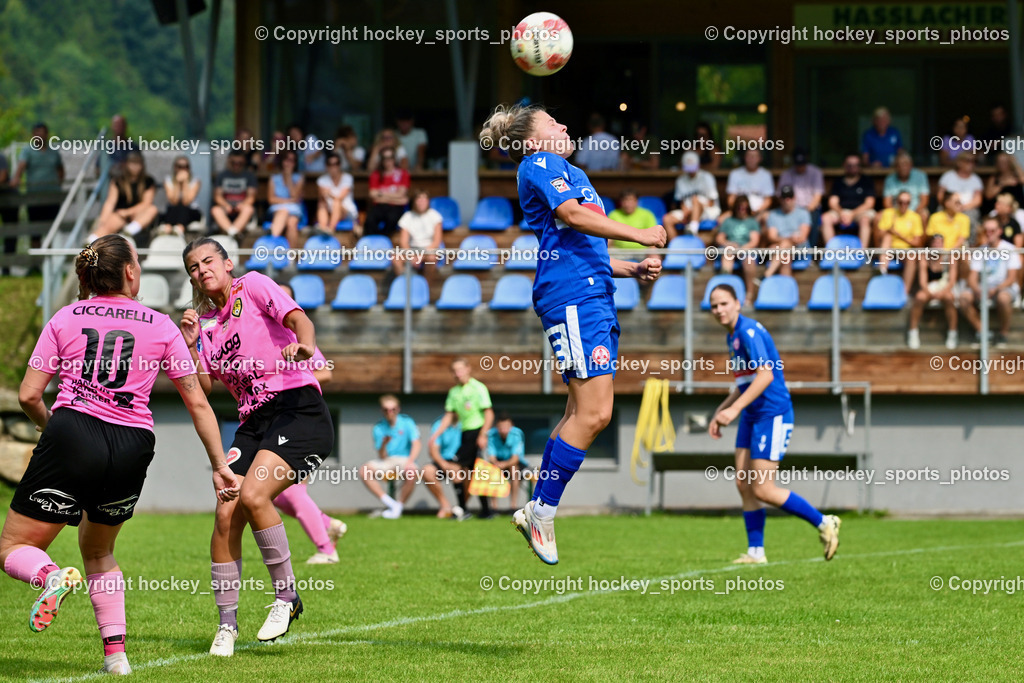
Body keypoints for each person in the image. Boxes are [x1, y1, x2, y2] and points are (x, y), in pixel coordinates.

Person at [0, 235, 238, 675]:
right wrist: (221, 466)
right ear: (130, 272)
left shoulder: (66, 317)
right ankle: (116, 657)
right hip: (133, 446)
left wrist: (55, 432)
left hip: (74, 433)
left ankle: (50, 577)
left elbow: (29, 395)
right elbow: (199, 403)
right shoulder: (162, 325)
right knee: (98, 551)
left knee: (12, 545)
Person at [478, 103, 665, 564]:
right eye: (551, 122)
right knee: (597, 413)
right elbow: (574, 216)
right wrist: (639, 236)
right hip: (574, 299)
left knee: (580, 413)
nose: (564, 124)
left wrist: (631, 268)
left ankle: (537, 509)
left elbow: (580, 244)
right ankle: (542, 510)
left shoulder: (566, 167)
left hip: (591, 294)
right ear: (531, 140)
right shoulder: (539, 163)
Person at [180, 237, 335, 655]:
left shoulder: (254, 286)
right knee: (226, 510)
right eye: (193, 267)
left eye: (208, 260)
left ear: (228, 263)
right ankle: (226, 626)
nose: (201, 270)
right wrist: (193, 343)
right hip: (253, 423)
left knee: (252, 494)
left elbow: (299, 318)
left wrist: (304, 343)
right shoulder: (209, 327)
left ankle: (286, 597)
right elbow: (206, 387)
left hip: (297, 409)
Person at [707, 283, 841, 565]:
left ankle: (824, 521)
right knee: (744, 483)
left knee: (763, 488)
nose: (718, 310)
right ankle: (756, 552)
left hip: (772, 413)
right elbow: (744, 382)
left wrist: (734, 411)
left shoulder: (748, 331)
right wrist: (721, 411)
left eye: (723, 303)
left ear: (738, 303)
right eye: (714, 305)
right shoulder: (732, 336)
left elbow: (765, 376)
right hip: (752, 413)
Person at [270, 283, 347, 563]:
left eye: (283, 294)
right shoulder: (264, 334)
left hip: (299, 420)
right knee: (275, 494)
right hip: (272, 422)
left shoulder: (295, 334)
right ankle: (327, 523)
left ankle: (327, 549)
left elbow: (324, 373)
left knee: (290, 490)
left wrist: (296, 378)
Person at [429, 359, 496, 520]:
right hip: (465, 433)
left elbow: (489, 413)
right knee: (474, 472)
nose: (458, 373)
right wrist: (436, 434)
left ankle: (463, 509)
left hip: (476, 432)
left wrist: (483, 434)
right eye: (455, 371)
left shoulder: (478, 388)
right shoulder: (454, 392)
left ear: (468, 369)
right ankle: (485, 511)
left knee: (455, 465)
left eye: (460, 369)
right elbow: (448, 415)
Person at [959, 216, 1021, 348]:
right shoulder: (981, 250)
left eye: (992, 230)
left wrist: (995, 289)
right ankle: (983, 332)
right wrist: (977, 290)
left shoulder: (1009, 248)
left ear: (999, 231)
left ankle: (1003, 334)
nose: (989, 233)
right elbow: (972, 277)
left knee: (1003, 298)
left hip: (1002, 287)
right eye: (986, 230)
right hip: (984, 287)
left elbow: (1011, 278)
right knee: (964, 298)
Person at [360, 394, 420, 519]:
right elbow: (382, 455)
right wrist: (384, 444)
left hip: (404, 460)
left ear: (398, 409)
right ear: (382, 411)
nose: (389, 412)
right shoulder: (378, 428)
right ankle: (391, 504)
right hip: (387, 461)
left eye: (392, 409)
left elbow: (417, 444)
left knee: (412, 471)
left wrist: (410, 461)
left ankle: (398, 506)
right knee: (364, 470)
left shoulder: (407, 422)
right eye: (386, 410)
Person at [91, 152, 158, 243]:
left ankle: (128, 232)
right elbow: (110, 203)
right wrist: (103, 220)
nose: (135, 167)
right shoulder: (118, 181)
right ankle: (90, 244)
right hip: (120, 216)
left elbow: (146, 203)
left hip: (138, 216)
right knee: (107, 224)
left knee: (152, 210)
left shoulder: (148, 181)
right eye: (132, 163)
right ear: (126, 164)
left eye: (138, 163)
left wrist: (127, 212)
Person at [907, 233, 959, 350]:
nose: (937, 245)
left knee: (949, 298)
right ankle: (913, 332)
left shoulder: (950, 257)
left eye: (940, 242)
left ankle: (953, 333)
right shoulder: (925, 258)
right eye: (935, 242)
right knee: (920, 297)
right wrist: (929, 293)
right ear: (930, 245)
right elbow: (922, 281)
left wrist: (942, 292)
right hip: (930, 287)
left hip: (945, 287)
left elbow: (951, 281)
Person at [10, 123, 65, 225]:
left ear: (46, 134)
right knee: (35, 231)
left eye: (41, 133)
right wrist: (17, 177)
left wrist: (58, 183)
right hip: (34, 196)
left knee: (52, 227)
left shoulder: (53, 151)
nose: (39, 136)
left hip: (52, 196)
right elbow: (22, 165)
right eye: (36, 133)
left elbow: (60, 169)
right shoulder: (27, 151)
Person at [820, 154, 875, 248]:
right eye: (849, 165)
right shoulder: (838, 181)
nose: (853, 167)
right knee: (825, 218)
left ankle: (862, 254)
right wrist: (841, 213)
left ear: (859, 166)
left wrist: (852, 214)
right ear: (844, 165)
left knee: (865, 220)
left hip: (860, 212)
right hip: (842, 211)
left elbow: (869, 203)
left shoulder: (866, 181)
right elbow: (832, 202)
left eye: (856, 165)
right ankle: (832, 253)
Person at [716, 195, 760, 305]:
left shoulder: (752, 222)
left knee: (749, 260)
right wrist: (729, 244)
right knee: (727, 254)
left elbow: (754, 241)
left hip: (746, 249)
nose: (742, 210)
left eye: (744, 208)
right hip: (730, 248)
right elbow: (719, 238)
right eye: (739, 207)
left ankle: (749, 295)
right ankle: (725, 295)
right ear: (735, 208)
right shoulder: (728, 221)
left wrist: (741, 249)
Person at [876, 190, 925, 289]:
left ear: (910, 203)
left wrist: (897, 234)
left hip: (904, 251)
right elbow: (879, 235)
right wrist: (889, 231)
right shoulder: (888, 213)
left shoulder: (915, 217)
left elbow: (917, 242)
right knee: (887, 237)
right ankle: (882, 269)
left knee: (911, 256)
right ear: (896, 202)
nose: (903, 205)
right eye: (901, 202)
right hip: (888, 249)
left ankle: (905, 292)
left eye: (907, 202)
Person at [422, 415, 468, 520]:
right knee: (427, 471)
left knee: (471, 473)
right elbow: (433, 450)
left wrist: (458, 464)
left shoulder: (467, 423)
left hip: (462, 461)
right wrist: (444, 465)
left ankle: (462, 507)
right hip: (443, 461)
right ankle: (445, 506)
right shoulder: (438, 425)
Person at [664, 151, 721, 236]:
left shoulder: (707, 177)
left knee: (695, 200)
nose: (691, 171)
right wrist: (686, 210)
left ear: (698, 165)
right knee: (667, 219)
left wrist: (695, 209)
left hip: (707, 211)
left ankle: (692, 229)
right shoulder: (680, 180)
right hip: (687, 212)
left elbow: (711, 203)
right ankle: (676, 246)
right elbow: (681, 202)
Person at [763, 185, 811, 278]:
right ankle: (785, 289)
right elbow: (772, 237)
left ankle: (767, 275)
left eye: (790, 197)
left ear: (794, 198)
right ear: (780, 199)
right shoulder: (773, 214)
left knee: (781, 248)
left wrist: (787, 241)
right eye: (784, 198)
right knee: (785, 255)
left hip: (800, 249)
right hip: (782, 248)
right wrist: (788, 239)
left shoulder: (803, 213)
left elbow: (802, 238)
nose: (787, 200)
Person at [486, 413, 529, 511]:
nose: (503, 430)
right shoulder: (491, 434)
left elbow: (515, 459)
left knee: (514, 470)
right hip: (498, 463)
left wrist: (503, 464)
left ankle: (513, 506)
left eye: (506, 427)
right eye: (501, 427)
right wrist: (497, 464)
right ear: (497, 426)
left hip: (516, 464)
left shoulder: (517, 434)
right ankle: (494, 507)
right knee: (492, 471)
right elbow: (491, 456)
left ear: (511, 426)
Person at [394, 189, 442, 275]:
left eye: (424, 199)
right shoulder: (407, 216)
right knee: (396, 258)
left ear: (428, 201)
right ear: (414, 201)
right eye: (419, 199)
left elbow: (436, 242)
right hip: (412, 249)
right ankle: (403, 283)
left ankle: (427, 287)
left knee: (431, 259)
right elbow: (403, 242)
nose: (422, 202)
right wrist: (412, 255)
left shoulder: (435, 216)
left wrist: (421, 255)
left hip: (429, 250)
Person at [210, 151, 258, 237]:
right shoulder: (222, 175)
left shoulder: (249, 176)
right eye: (233, 163)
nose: (236, 165)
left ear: (244, 163)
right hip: (226, 209)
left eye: (239, 163)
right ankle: (233, 234)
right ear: (229, 161)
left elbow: (251, 197)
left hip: (242, 209)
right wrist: (226, 205)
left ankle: (230, 234)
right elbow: (217, 196)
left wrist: (242, 205)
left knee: (248, 209)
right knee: (215, 210)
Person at [365, 148, 410, 236]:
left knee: (392, 219)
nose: (388, 161)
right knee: (370, 220)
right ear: (381, 160)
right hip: (380, 206)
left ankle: (384, 241)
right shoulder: (376, 174)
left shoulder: (403, 173)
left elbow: (402, 193)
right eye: (384, 158)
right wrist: (397, 198)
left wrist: (381, 194)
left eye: (390, 157)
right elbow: (373, 195)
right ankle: (374, 242)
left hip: (396, 208)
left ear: (394, 159)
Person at [937, 154, 983, 237]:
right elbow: (940, 195)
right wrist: (949, 206)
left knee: (972, 217)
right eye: (968, 161)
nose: (971, 164)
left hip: (967, 208)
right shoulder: (948, 176)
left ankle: (969, 244)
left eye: (973, 161)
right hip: (948, 207)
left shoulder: (976, 179)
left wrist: (962, 207)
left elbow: (978, 199)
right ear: (959, 163)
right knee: (938, 214)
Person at [267, 150, 305, 248]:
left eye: (292, 161)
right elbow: (271, 199)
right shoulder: (274, 178)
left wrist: (288, 178)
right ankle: (272, 242)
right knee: (284, 211)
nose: (289, 163)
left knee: (292, 224)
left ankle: (291, 258)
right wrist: (288, 201)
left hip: (294, 210)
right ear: (282, 162)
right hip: (278, 209)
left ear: (295, 163)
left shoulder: (299, 178)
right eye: (287, 160)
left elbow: (295, 196)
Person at [607, 189, 660, 258]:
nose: (628, 204)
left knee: (655, 257)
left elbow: (653, 237)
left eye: (631, 200)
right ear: (621, 202)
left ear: (636, 201)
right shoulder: (613, 215)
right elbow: (609, 238)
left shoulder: (647, 214)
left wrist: (653, 253)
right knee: (606, 257)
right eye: (625, 200)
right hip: (620, 251)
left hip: (643, 251)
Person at [158, 156, 202, 236]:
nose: (183, 169)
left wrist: (185, 182)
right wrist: (177, 184)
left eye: (186, 167)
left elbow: (187, 201)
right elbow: (173, 201)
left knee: (183, 208)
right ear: (174, 167)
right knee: (175, 208)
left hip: (191, 212)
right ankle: (171, 230)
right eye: (180, 166)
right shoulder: (168, 180)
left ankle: (177, 228)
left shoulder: (196, 180)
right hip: (173, 211)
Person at [883, 151, 930, 224]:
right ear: (896, 167)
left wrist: (912, 214)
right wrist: (897, 214)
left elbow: (924, 200)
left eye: (906, 164)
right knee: (879, 217)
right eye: (900, 165)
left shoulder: (920, 176)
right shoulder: (889, 179)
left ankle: (922, 236)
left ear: (911, 165)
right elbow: (887, 203)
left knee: (924, 215)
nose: (903, 167)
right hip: (896, 211)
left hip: (916, 210)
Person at [316, 151, 358, 232]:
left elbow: (340, 197)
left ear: (340, 165)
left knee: (337, 202)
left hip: (347, 211)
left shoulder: (348, 178)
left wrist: (329, 194)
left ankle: (330, 230)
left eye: (336, 164)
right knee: (321, 204)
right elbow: (322, 199)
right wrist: (324, 195)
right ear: (326, 166)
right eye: (330, 164)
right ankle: (323, 229)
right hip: (329, 211)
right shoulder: (322, 180)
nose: (333, 167)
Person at [725, 149, 774, 217]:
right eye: (749, 156)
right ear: (744, 157)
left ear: (760, 158)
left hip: (759, 213)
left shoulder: (766, 175)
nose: (751, 159)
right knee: (721, 220)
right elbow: (731, 199)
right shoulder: (735, 174)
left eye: (754, 156)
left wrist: (755, 211)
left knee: (767, 218)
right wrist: (739, 210)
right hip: (738, 212)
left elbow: (768, 200)